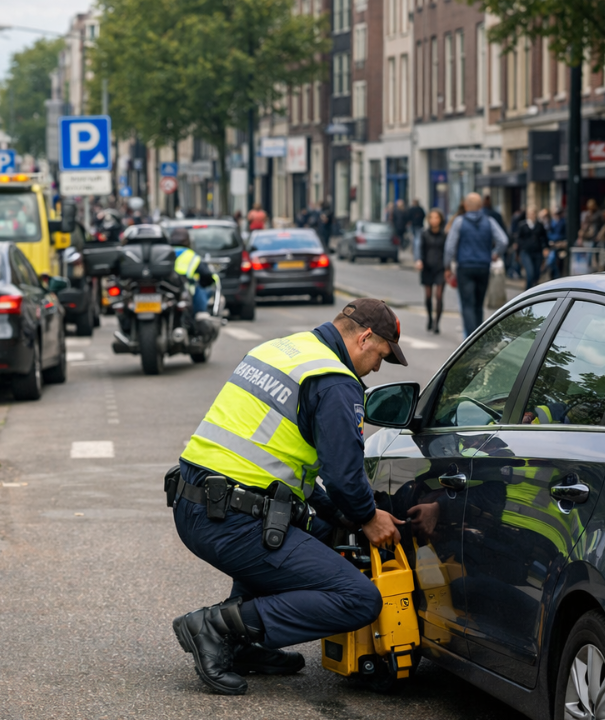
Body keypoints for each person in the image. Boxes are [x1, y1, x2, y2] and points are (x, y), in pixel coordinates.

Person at [171, 298, 407, 695]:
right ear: (365, 338)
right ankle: (213, 627)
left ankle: (245, 644)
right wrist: (368, 518)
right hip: (232, 520)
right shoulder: (335, 381)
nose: (378, 368)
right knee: (359, 599)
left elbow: (284, 465)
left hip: (196, 503)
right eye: (381, 355)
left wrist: (339, 515)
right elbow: (344, 476)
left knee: (320, 527)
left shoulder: (283, 349)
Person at [445, 192, 509, 338]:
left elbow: (449, 247)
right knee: (478, 305)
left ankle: (470, 340)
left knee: (468, 305)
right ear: (480, 206)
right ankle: (478, 339)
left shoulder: (460, 221)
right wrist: (494, 254)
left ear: (466, 205)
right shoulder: (489, 221)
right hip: (483, 267)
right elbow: (503, 240)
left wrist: (447, 266)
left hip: (465, 267)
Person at [414, 208, 447, 333]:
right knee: (428, 296)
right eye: (431, 218)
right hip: (427, 267)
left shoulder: (444, 234)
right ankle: (429, 317)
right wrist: (419, 260)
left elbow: (447, 251)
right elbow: (420, 248)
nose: (434, 220)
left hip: (440, 268)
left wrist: (448, 266)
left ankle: (437, 323)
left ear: (440, 219)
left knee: (439, 296)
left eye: (436, 218)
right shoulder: (424, 233)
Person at [516, 206, 548, 289]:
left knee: (537, 273)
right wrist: (519, 251)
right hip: (526, 252)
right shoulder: (522, 225)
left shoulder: (539, 225)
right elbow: (519, 239)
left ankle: (533, 290)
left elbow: (544, 238)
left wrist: (545, 247)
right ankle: (527, 292)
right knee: (530, 273)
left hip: (537, 252)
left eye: (533, 213)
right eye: (529, 214)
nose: (531, 215)